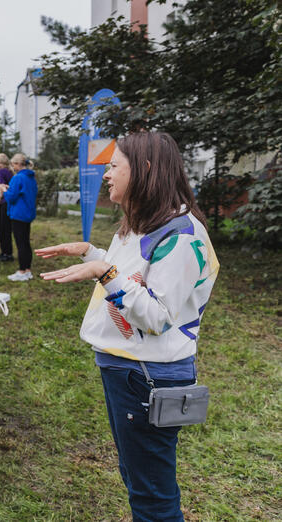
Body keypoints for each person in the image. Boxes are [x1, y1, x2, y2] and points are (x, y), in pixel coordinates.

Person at [37, 131, 218, 522]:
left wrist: (103, 270)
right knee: (139, 479)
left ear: (145, 170)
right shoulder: (145, 224)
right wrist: (93, 254)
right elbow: (134, 277)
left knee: (152, 494)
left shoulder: (181, 236)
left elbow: (155, 316)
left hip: (147, 375)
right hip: (128, 370)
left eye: (114, 165)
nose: (106, 174)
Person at [0, 153, 37, 281]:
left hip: (18, 214)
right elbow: (23, 193)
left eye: (13, 164)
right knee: (26, 242)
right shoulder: (31, 177)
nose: (12, 167)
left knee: (20, 244)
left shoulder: (17, 178)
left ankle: (21, 271)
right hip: (28, 213)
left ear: (19, 164)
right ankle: (27, 270)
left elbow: (11, 197)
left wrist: (4, 190)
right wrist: (10, 189)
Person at [0, 153, 14, 262]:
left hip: (4, 202)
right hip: (10, 202)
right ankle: (7, 252)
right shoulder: (10, 172)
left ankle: (6, 253)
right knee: (7, 229)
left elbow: (0, 188)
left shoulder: (2, 172)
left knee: (2, 229)